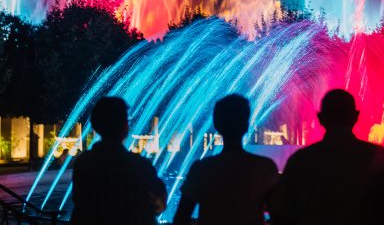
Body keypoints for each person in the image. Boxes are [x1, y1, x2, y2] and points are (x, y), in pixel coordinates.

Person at [268, 89, 384, 225]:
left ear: (321, 118)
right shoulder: (381, 157)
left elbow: (281, 214)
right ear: (355, 116)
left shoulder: (300, 160)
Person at [173, 94, 279, 225]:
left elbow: (181, 217)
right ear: (246, 126)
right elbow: (280, 215)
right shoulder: (264, 168)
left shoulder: (201, 169)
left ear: (217, 125)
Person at [71, 97, 167, 225]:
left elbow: (79, 202)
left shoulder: (83, 163)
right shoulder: (139, 166)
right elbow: (159, 204)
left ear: (95, 125)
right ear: (124, 126)